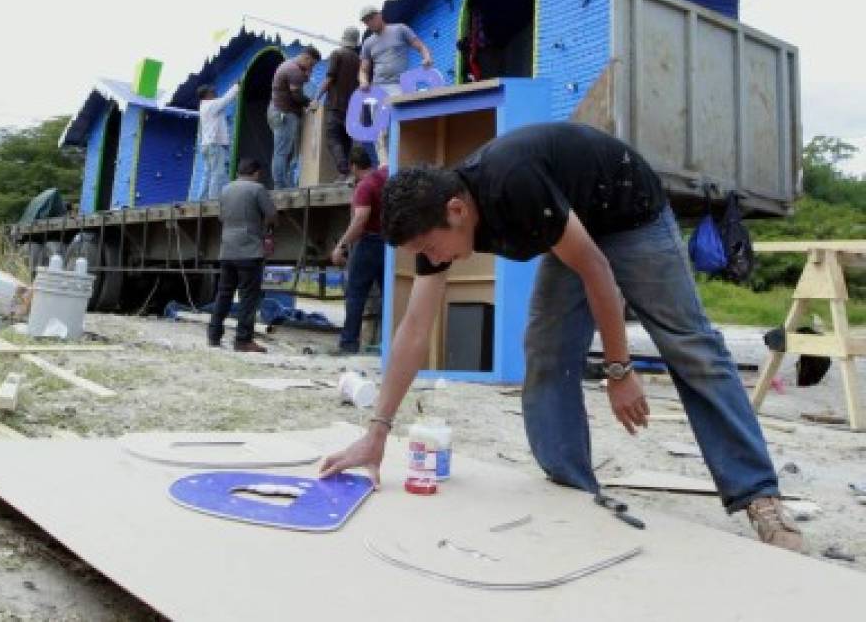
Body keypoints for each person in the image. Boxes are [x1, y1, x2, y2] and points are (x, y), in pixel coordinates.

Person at [320, 121, 804, 553]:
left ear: (457, 209)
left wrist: (619, 370)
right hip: (570, 223)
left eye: (431, 248)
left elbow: (597, 268)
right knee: (547, 350)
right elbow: (413, 329)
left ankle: (760, 496)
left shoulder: (513, 184)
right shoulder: (434, 222)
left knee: (691, 347)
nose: (436, 259)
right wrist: (378, 430)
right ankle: (573, 489)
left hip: (629, 212)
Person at [208, 157, 277, 353]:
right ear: (255, 173)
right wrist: (268, 228)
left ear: (239, 172)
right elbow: (271, 214)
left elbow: (221, 216)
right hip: (249, 250)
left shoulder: (225, 189)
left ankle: (214, 335)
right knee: (248, 297)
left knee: (224, 293)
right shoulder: (257, 189)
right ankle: (243, 340)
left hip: (227, 248)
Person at [329, 145, 388, 354]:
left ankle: (349, 343)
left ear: (354, 166)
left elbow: (360, 219)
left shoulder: (365, 186)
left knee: (355, 294)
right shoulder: (386, 176)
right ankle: (385, 343)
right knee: (388, 294)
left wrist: (341, 246)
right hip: (388, 243)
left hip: (368, 243)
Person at [357, 5, 432, 166]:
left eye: (371, 18)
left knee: (399, 122)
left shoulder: (400, 29)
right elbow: (363, 70)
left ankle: (403, 160)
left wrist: (426, 57)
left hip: (398, 85)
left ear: (379, 15)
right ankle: (385, 166)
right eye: (366, 21)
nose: (369, 23)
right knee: (379, 130)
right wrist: (363, 81)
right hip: (378, 87)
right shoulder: (368, 43)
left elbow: (421, 46)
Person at [267, 45, 322, 190]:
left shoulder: (288, 65)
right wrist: (310, 103)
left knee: (285, 152)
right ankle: (280, 186)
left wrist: (307, 73)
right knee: (282, 152)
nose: (312, 68)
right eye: (312, 64)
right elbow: (296, 95)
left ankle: (286, 184)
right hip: (284, 114)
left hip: (277, 111)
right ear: (306, 57)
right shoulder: (294, 71)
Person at [310, 26, 361, 180]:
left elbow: (329, 79)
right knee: (346, 141)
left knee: (332, 138)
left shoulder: (337, 54)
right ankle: (345, 174)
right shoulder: (358, 59)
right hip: (352, 107)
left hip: (335, 105)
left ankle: (343, 168)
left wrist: (316, 97)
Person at [195, 81, 239, 200]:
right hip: (214, 144)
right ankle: (213, 199)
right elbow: (226, 99)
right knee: (217, 173)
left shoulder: (204, 106)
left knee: (208, 173)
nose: (214, 92)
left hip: (206, 145)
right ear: (207, 95)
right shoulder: (211, 105)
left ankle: (201, 199)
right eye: (212, 91)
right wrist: (236, 86)